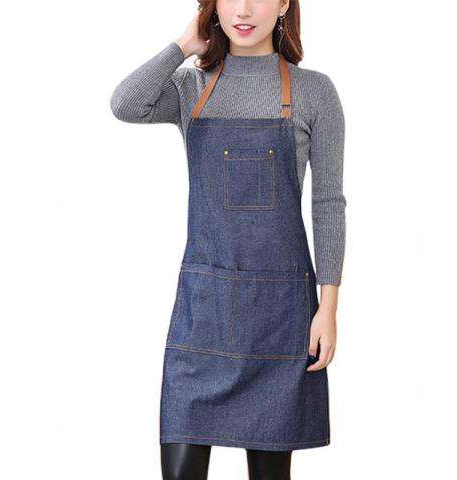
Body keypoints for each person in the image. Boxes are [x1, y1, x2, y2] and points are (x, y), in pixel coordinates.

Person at [110, 1, 346, 478]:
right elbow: (125, 104)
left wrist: (328, 308)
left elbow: (328, 203)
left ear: (283, 4)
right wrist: (184, 45)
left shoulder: (314, 91)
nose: (244, 9)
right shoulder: (191, 87)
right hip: (204, 312)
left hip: (280, 314)